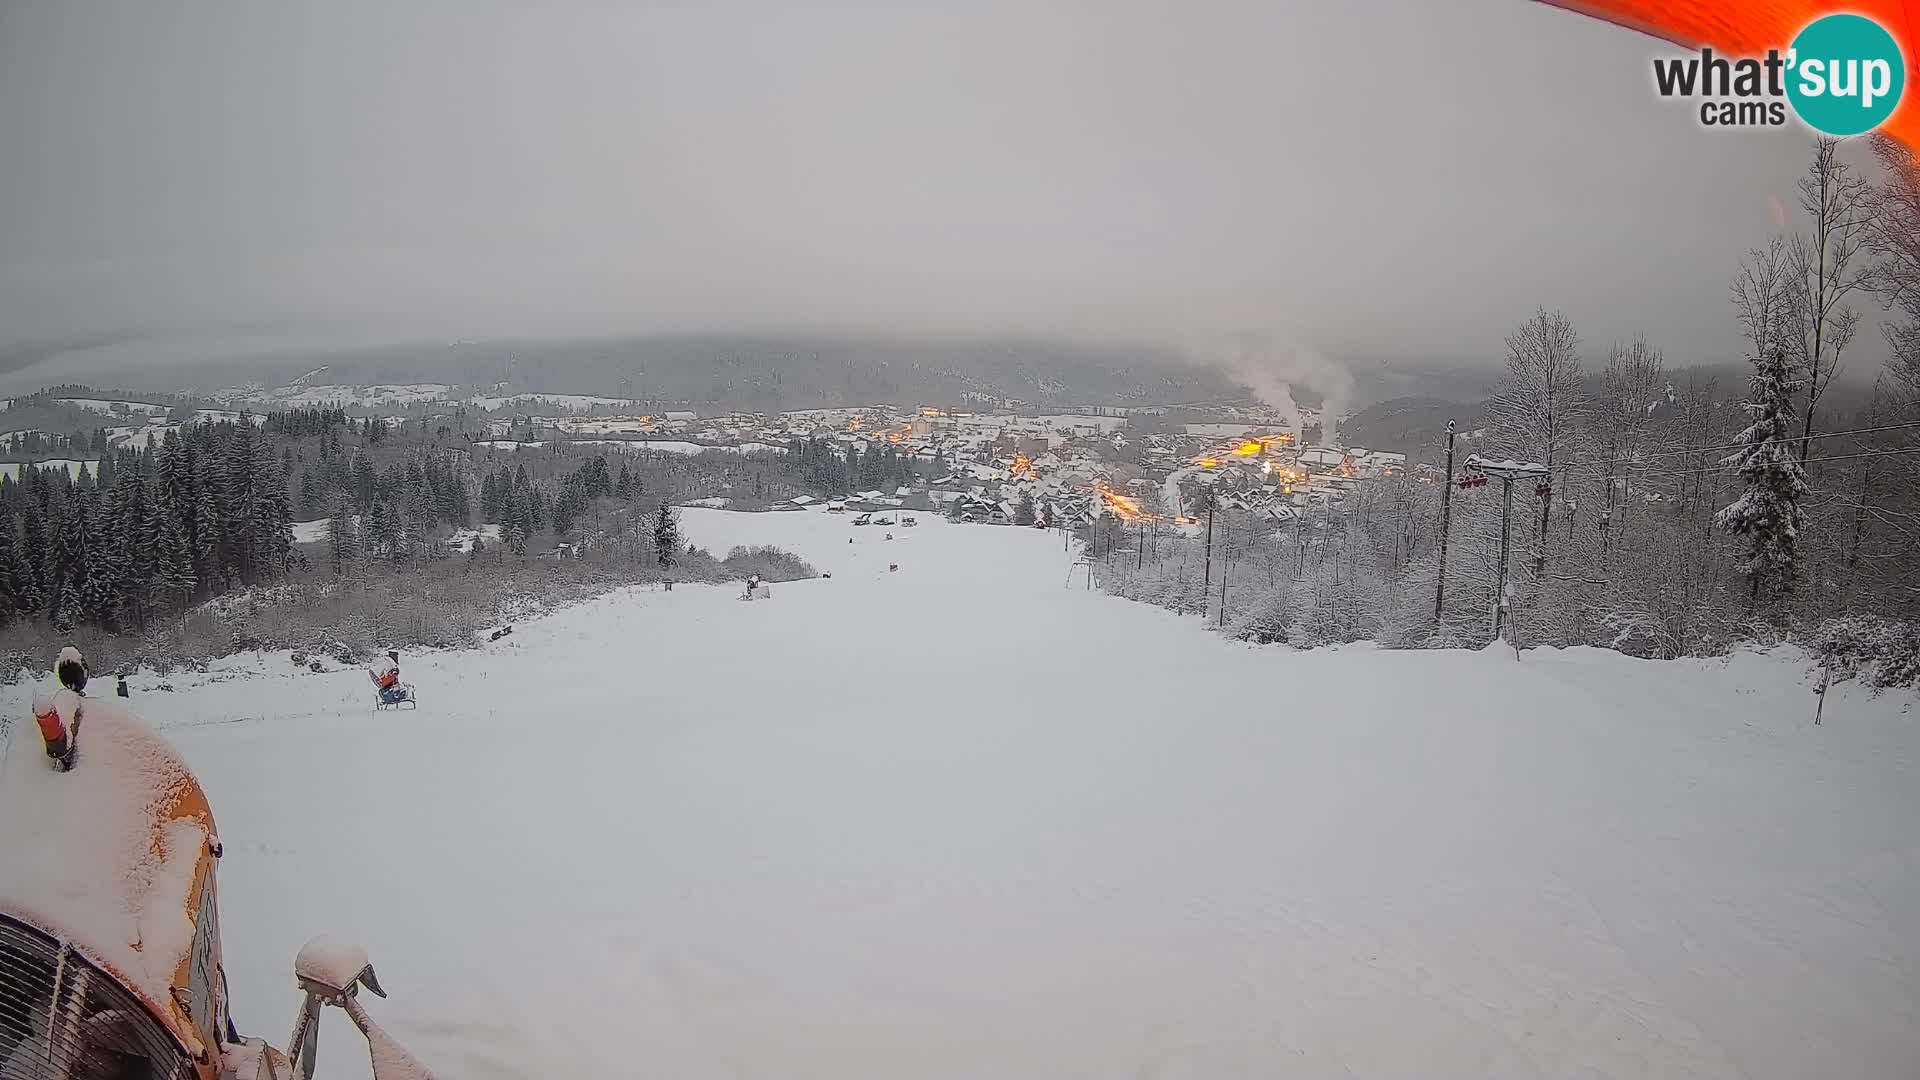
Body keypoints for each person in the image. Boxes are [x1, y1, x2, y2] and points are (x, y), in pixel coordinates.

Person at [32, 689, 81, 771]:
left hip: (54, 745)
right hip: (61, 743)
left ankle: (65, 763)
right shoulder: (50, 715)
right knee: (64, 755)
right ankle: (66, 764)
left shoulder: (43, 716)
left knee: (61, 754)